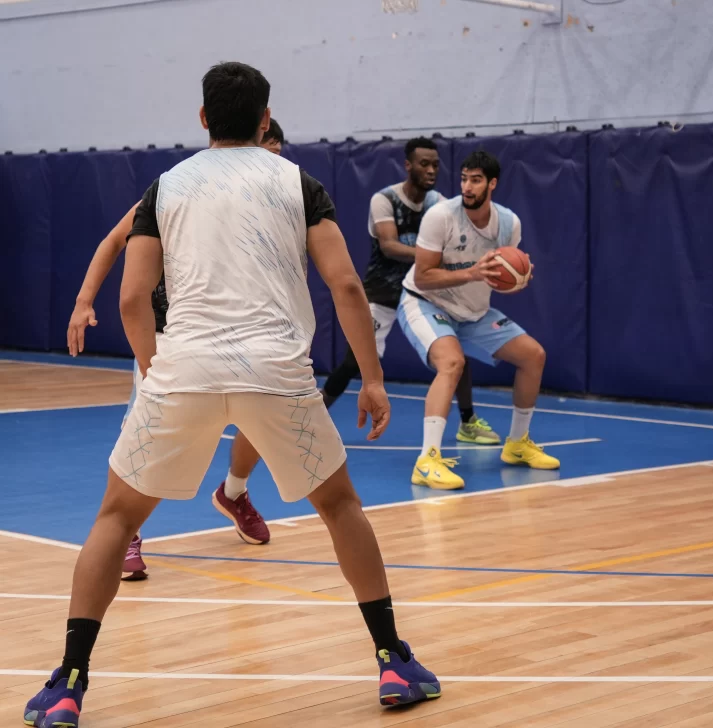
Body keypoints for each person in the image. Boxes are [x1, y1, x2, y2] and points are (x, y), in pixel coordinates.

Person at [24, 63, 439, 728]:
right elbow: (347, 287)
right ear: (266, 120)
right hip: (276, 370)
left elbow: (133, 297)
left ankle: (69, 682)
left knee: (115, 518)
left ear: (202, 118)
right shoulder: (299, 183)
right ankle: (392, 659)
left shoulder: (166, 186)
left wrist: (156, 371)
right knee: (338, 506)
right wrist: (373, 376)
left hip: (183, 368)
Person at [65, 121, 289, 579]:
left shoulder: (279, 204)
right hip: (173, 338)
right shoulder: (182, 191)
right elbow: (113, 240)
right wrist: (83, 301)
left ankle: (234, 492)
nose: (274, 164)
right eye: (268, 152)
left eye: (279, 155)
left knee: (264, 420)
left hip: (245, 337)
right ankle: (127, 531)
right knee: (146, 430)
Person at [397, 149, 561, 490]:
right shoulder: (441, 216)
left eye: (476, 180)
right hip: (425, 302)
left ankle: (516, 445)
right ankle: (427, 460)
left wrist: (518, 279)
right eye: (463, 179)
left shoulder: (508, 224)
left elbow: (501, 280)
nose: (468, 187)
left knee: (534, 356)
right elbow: (424, 276)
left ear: (492, 184)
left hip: (473, 312)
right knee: (452, 363)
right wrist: (473, 272)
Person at [320, 138, 501, 447]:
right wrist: (431, 256)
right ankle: (313, 421)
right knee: (355, 362)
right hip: (383, 292)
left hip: (423, 294)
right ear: (408, 166)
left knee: (456, 354)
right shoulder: (384, 199)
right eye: (424, 164)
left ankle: (468, 422)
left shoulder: (439, 203)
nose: (431, 170)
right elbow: (389, 246)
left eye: (435, 164)